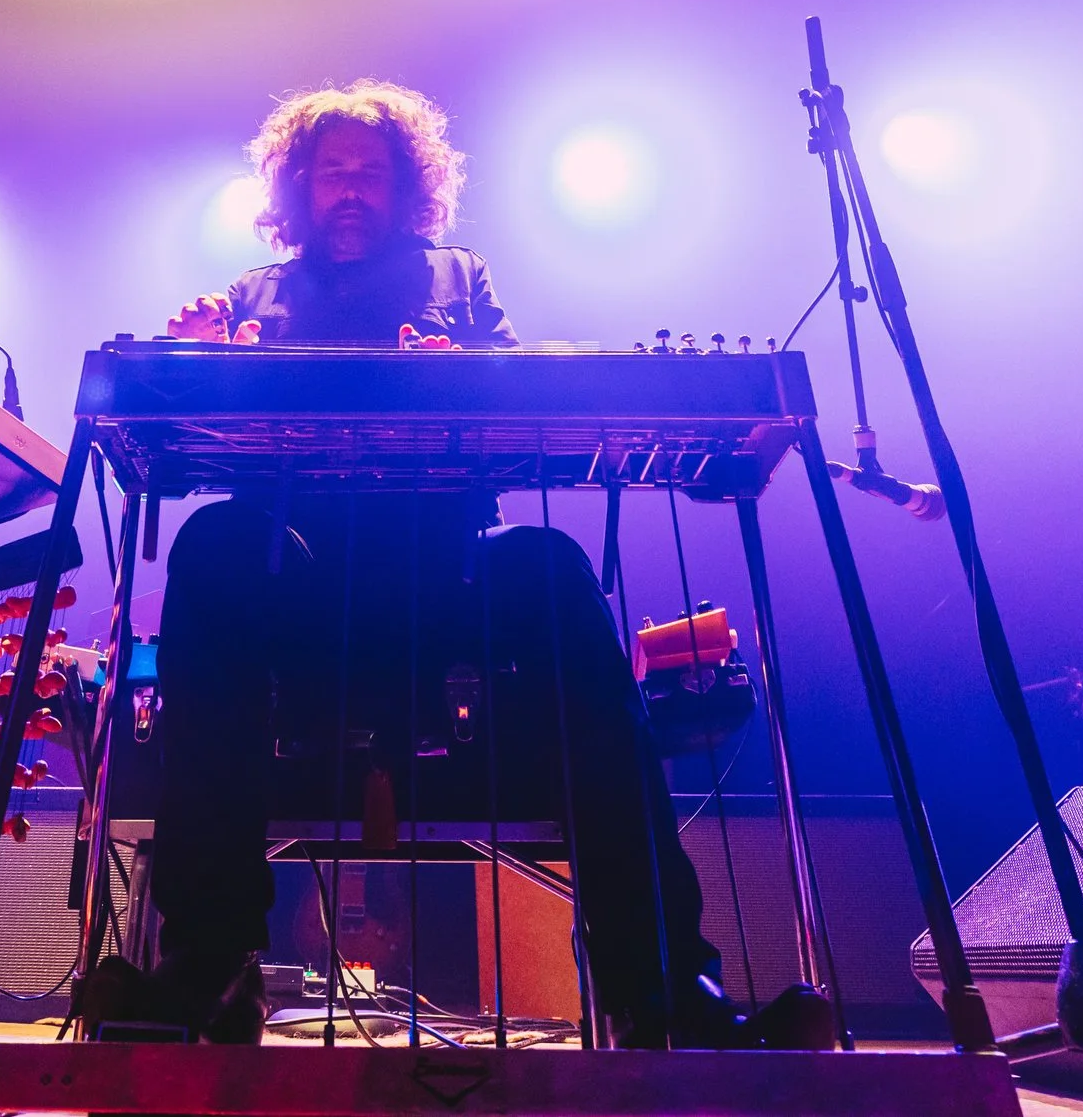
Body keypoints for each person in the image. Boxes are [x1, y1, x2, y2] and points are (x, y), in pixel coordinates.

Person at [81, 81, 803, 1049]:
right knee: (210, 547)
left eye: (367, 173)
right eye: (330, 172)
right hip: (299, 578)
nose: (347, 190)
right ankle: (208, 964)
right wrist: (200, 353)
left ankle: (661, 981)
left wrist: (459, 363)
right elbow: (195, 420)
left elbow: (516, 405)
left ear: (405, 185)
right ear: (298, 185)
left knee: (550, 567)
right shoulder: (254, 292)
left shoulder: (457, 278)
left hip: (444, 569)